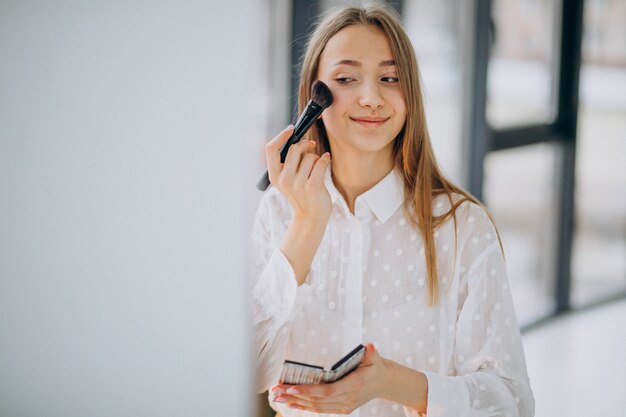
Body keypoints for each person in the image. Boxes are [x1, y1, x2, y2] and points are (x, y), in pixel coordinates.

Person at [251, 5, 534, 417]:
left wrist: (394, 383)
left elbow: (513, 403)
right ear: (314, 97)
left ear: (410, 94)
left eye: (390, 78)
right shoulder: (278, 211)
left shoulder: (462, 227)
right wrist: (308, 224)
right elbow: (246, 372)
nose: (370, 97)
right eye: (346, 79)